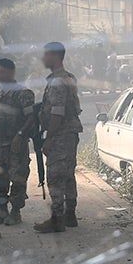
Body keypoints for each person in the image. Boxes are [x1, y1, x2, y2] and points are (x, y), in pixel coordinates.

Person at [34, 42, 83, 234]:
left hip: (61, 134)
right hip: (70, 133)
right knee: (68, 174)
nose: (43, 59)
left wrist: (49, 138)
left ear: (54, 57)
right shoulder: (68, 77)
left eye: (45, 55)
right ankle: (70, 215)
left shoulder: (57, 81)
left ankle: (57, 219)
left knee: (55, 176)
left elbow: (57, 112)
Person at [0, 57, 36, 226]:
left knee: (17, 179)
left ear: (11, 72)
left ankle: (15, 212)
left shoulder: (23, 93)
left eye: (1, 71)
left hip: (16, 145)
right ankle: (1, 211)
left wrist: (20, 135)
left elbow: (31, 118)